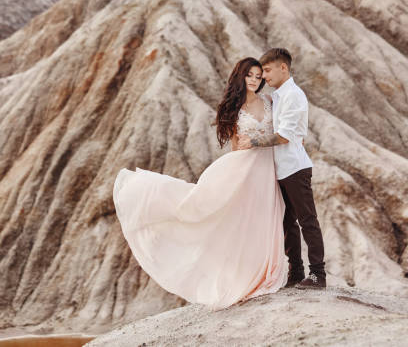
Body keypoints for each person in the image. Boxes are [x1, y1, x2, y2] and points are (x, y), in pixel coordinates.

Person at [113, 57, 286, 309]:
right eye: (249, 75)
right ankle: (245, 278)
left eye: (258, 76)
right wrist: (236, 178)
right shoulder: (235, 108)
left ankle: (266, 274)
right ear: (240, 76)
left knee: (264, 218)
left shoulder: (269, 102)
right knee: (229, 217)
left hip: (267, 167)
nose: (254, 80)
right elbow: (237, 145)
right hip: (244, 167)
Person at [237, 48, 326, 289]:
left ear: (282, 68)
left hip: (295, 168)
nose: (264, 76)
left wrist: (252, 142)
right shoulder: (277, 96)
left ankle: (318, 274)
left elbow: (285, 136)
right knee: (287, 224)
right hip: (280, 169)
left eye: (267, 70)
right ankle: (295, 272)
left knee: (308, 220)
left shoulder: (293, 95)